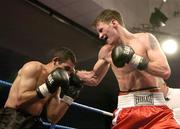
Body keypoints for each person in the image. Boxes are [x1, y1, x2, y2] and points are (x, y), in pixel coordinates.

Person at [76, 9, 180, 128]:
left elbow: (164, 71)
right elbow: (94, 78)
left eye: (101, 30)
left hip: (156, 107)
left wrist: (134, 59)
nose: (100, 36)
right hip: (127, 109)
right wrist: (72, 74)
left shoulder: (145, 39)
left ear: (114, 23)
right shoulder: (106, 51)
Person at [0, 47, 83, 129]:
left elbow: (53, 118)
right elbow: (19, 101)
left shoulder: (57, 85)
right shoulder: (34, 67)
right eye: (66, 68)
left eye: (70, 72)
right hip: (13, 117)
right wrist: (47, 88)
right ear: (56, 61)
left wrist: (69, 97)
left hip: (33, 121)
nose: (67, 74)